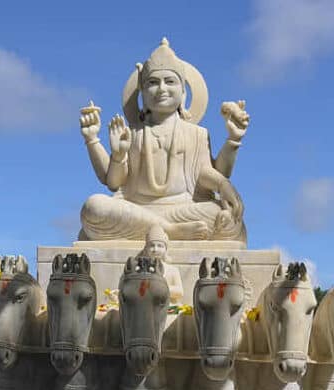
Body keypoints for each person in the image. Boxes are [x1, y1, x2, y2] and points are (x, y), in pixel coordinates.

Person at [79, 38, 248, 243]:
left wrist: (230, 152)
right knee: (94, 207)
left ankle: (158, 230)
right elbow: (115, 183)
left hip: (183, 210)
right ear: (142, 92)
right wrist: (115, 153)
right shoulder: (132, 133)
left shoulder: (197, 133)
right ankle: (170, 231)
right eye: (152, 82)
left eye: (170, 81)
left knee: (228, 218)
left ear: (183, 91)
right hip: (138, 209)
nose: (161, 89)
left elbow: (204, 173)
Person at [139, 225, 185, 304]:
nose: (155, 249)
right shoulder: (140, 270)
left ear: (165, 249)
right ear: (146, 248)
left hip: (168, 308)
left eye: (160, 246)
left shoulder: (172, 270)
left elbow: (180, 292)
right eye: (152, 245)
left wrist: (158, 288)